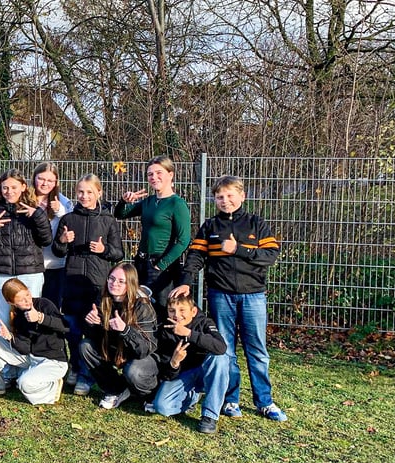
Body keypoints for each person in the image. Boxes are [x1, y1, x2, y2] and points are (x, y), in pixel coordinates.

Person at [171, 175, 287, 422]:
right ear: (215, 199)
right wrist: (185, 281)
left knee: (257, 350)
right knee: (226, 351)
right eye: (220, 197)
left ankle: (264, 401)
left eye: (230, 196)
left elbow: (271, 255)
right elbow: (196, 256)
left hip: (253, 296)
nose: (225, 201)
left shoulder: (256, 223)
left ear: (242, 196)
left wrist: (239, 250)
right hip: (221, 295)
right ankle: (231, 399)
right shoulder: (210, 226)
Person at [52, 174, 124, 396]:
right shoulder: (68, 219)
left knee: (92, 331)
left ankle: (86, 376)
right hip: (72, 284)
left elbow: (119, 253)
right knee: (72, 331)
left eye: (89, 192)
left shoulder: (108, 220)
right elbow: (57, 250)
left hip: (97, 285)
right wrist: (63, 242)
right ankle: (74, 365)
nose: (84, 196)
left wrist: (104, 251)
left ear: (99, 193)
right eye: (81, 192)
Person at [0, 168, 53, 327]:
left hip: (31, 273)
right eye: (5, 187)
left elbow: (46, 240)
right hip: (4, 273)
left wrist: (38, 216)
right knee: (4, 318)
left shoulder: (33, 209)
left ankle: (29, 351)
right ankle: (2, 350)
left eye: (14, 187)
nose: (9, 191)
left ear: (23, 187)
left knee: (30, 316)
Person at [114, 156, 191, 317]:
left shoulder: (177, 204)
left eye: (158, 173)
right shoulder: (149, 201)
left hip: (162, 266)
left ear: (170, 174)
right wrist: (124, 201)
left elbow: (183, 240)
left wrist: (162, 265)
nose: (154, 177)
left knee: (162, 311)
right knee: (140, 311)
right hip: (141, 262)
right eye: (150, 174)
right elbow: (120, 214)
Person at [0, 278, 69, 404]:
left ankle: (52, 388)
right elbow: (25, 348)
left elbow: (65, 326)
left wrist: (41, 318)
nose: (27, 300)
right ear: (11, 302)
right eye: (21, 300)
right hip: (31, 358)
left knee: (24, 383)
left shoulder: (44, 304)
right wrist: (11, 338)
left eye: (27, 294)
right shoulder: (18, 316)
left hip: (53, 361)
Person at [80, 263, 158, 410]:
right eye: (111, 278)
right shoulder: (103, 299)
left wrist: (126, 330)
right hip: (115, 350)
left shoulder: (142, 306)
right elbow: (95, 337)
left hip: (143, 356)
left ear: (130, 284)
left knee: (133, 370)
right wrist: (92, 324)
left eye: (121, 281)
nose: (114, 284)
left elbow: (145, 349)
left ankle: (149, 395)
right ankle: (115, 389)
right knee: (86, 346)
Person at [151, 292, 228, 434]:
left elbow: (221, 347)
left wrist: (188, 333)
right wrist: (174, 363)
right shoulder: (164, 330)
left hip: (205, 372)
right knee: (162, 407)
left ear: (193, 311)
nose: (177, 315)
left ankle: (209, 416)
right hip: (184, 374)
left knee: (220, 358)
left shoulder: (205, 323)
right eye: (172, 310)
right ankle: (192, 397)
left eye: (182, 310)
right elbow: (167, 374)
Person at [33, 163, 73, 308]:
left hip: (55, 265)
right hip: (29, 264)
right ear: (34, 178)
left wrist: (60, 211)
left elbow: (72, 225)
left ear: (56, 182)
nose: (45, 184)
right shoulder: (26, 199)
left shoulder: (63, 202)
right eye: (41, 179)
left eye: (50, 181)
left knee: (51, 307)